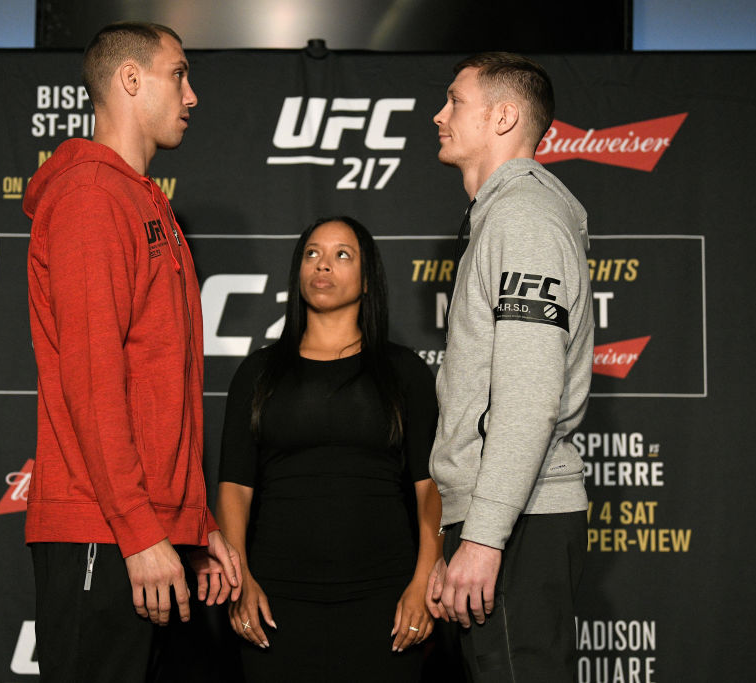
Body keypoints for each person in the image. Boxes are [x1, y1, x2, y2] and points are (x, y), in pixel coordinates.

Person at [23, 22, 240, 682]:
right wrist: (141, 529)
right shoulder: (91, 196)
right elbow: (94, 380)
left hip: (145, 529)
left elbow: (160, 388)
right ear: (130, 79)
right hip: (106, 528)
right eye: (179, 74)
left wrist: (193, 525)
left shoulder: (143, 202)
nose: (192, 94)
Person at [425, 52, 594, 682]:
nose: (439, 115)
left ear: (503, 116)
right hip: (507, 512)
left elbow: (526, 396)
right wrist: (470, 524)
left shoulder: (523, 217)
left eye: (454, 101)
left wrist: (486, 536)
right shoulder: (504, 215)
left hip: (522, 518)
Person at [215, 216, 443, 682]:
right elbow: (234, 488)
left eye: (343, 255)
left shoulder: (405, 372)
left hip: (385, 601)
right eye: (312, 253)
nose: (324, 265)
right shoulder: (257, 373)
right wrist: (241, 583)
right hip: (275, 601)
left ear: (367, 279)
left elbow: (431, 489)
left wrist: (423, 583)